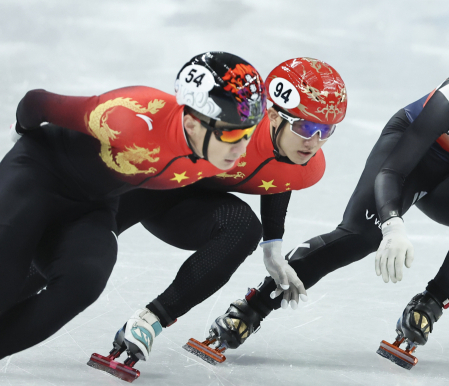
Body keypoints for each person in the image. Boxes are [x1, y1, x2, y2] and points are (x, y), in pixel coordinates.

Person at [206, 13, 449, 369]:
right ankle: (255, 305)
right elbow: (394, 170)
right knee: (360, 236)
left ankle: (429, 304)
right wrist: (393, 225)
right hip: (411, 160)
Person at [78, 57, 348, 380]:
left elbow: (280, 173)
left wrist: (273, 244)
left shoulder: (308, 164)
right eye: (304, 126)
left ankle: (151, 320)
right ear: (273, 116)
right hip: (146, 182)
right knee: (63, 258)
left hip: (183, 207)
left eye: (326, 130)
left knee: (244, 228)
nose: (314, 141)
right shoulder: (234, 126)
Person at [0, 52, 266, 361]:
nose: (243, 146)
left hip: (92, 207)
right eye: (233, 132)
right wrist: (19, 138)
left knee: (83, 282)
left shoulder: (223, 153)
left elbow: (280, 169)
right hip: (38, 176)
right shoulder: (131, 115)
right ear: (192, 124)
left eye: (249, 132)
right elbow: (36, 103)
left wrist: (273, 240)